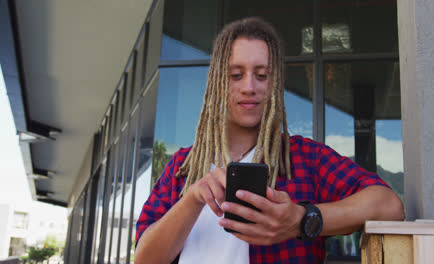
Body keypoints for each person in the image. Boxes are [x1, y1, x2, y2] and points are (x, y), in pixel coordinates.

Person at [134, 17, 404, 264]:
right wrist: (192, 199)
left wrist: (303, 219)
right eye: (236, 75)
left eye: (261, 75)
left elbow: (389, 206)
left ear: (275, 82)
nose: (249, 87)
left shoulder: (304, 158)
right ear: (217, 81)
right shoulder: (184, 165)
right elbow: (145, 259)